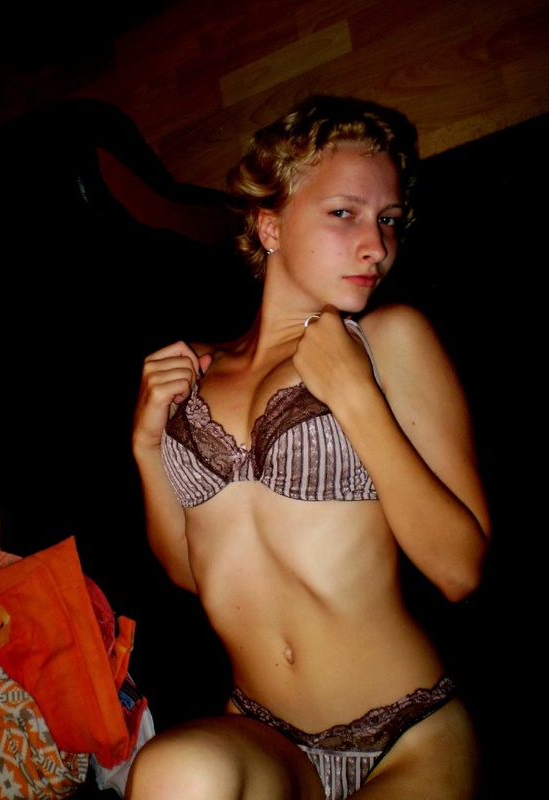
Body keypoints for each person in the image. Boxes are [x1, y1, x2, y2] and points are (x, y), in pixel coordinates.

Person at [127, 94, 492, 799]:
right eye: (345, 212)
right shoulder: (196, 371)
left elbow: (460, 570)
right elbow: (193, 573)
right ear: (270, 225)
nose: (376, 244)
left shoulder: (390, 340)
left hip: (406, 736)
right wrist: (146, 446)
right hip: (265, 734)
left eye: (389, 219)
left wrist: (355, 395)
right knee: (172, 773)